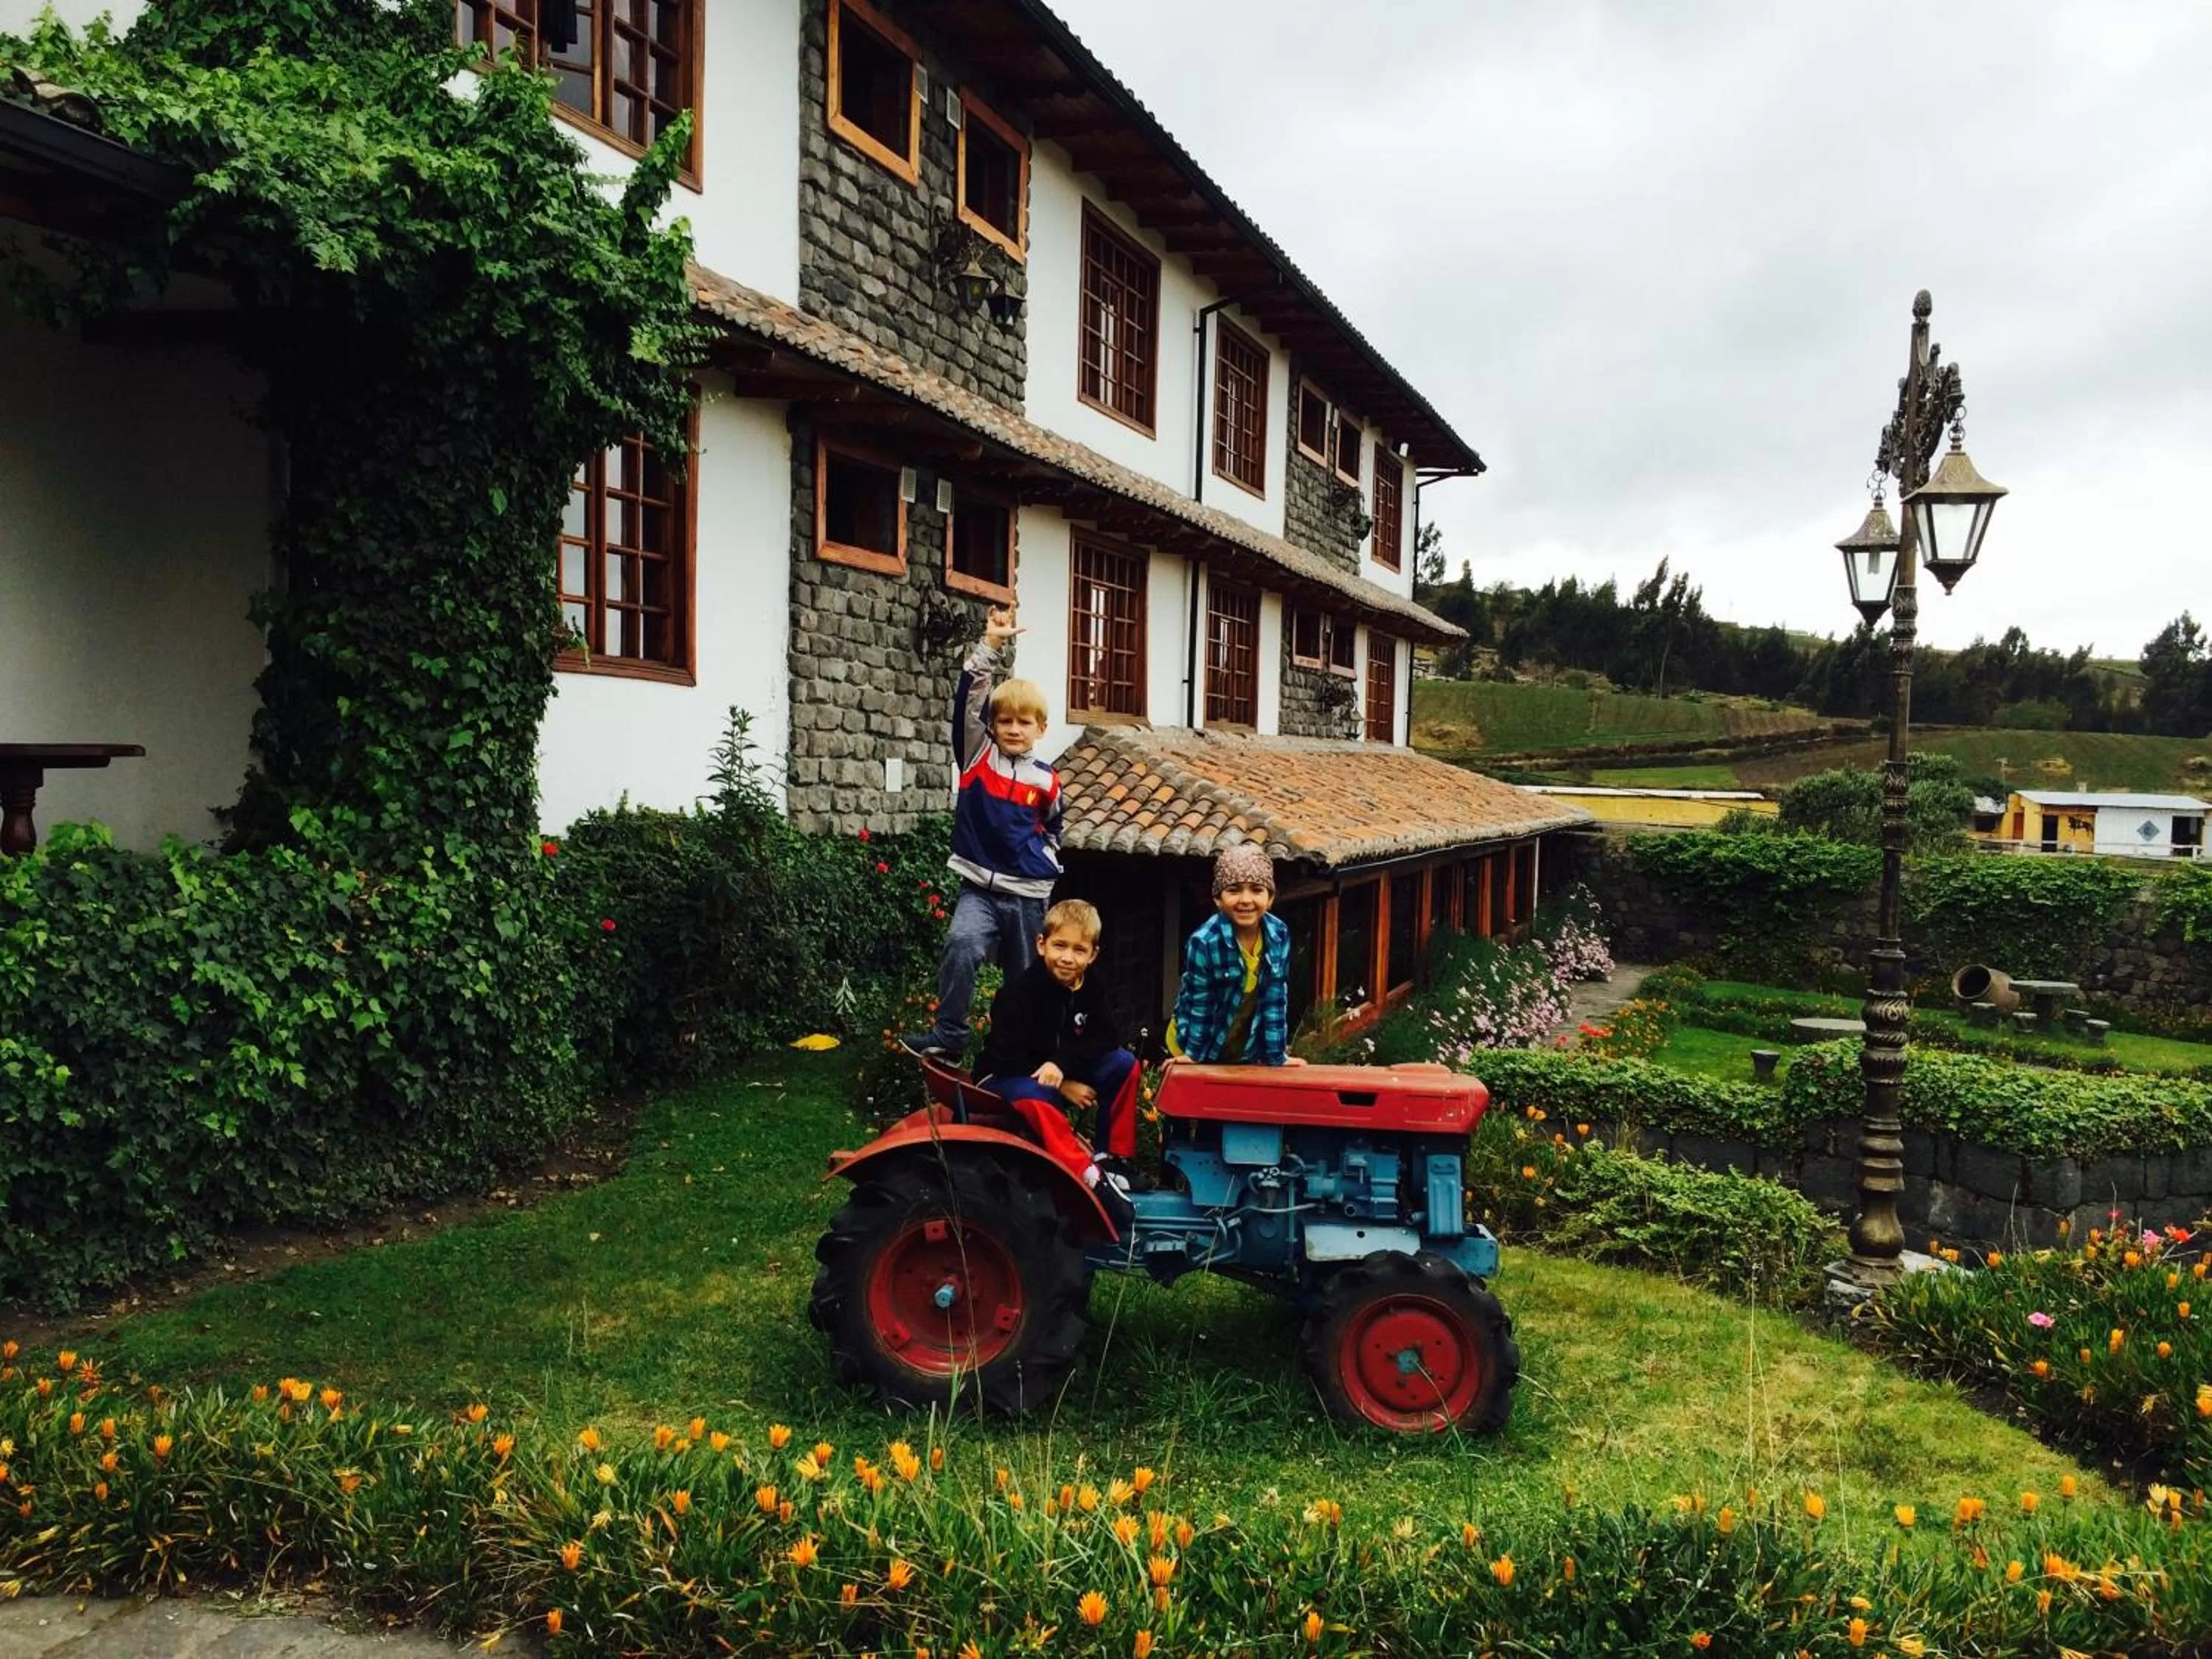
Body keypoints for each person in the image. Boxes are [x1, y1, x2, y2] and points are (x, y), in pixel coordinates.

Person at [902, 603, 1062, 1063]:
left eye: (1024, 722)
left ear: (1040, 729)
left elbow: (1054, 826)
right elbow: (968, 701)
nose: (1013, 729)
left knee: (1025, 978)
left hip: (1029, 893)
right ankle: (949, 1039)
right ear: (991, 726)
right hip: (979, 887)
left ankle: (1020, 1055)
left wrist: (1047, 859)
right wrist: (990, 645)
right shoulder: (976, 758)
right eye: (1005, 721)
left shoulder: (1048, 780)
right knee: (962, 944)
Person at [973, 898, 1141, 1200]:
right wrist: (1062, 1084)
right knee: (1041, 1095)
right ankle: (1086, 1176)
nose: (1067, 958)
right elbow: (1007, 1056)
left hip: (1057, 1068)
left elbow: (1106, 1037)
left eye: (1079, 950)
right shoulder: (1017, 994)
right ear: (1042, 944)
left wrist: (1062, 1065)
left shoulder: (1092, 987)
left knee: (1123, 1063)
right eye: (1060, 946)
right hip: (1006, 1075)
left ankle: (1111, 1158)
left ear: (1093, 955)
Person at [1166, 841, 1295, 1066]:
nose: (1245, 900)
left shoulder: (1279, 934)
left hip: (1243, 1042)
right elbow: (1201, 1003)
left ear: (1270, 898)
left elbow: (1275, 997)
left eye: (1256, 890)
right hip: (1197, 1040)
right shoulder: (1204, 942)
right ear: (1218, 899)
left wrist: (1277, 1057)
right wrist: (1193, 1057)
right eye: (1234, 890)